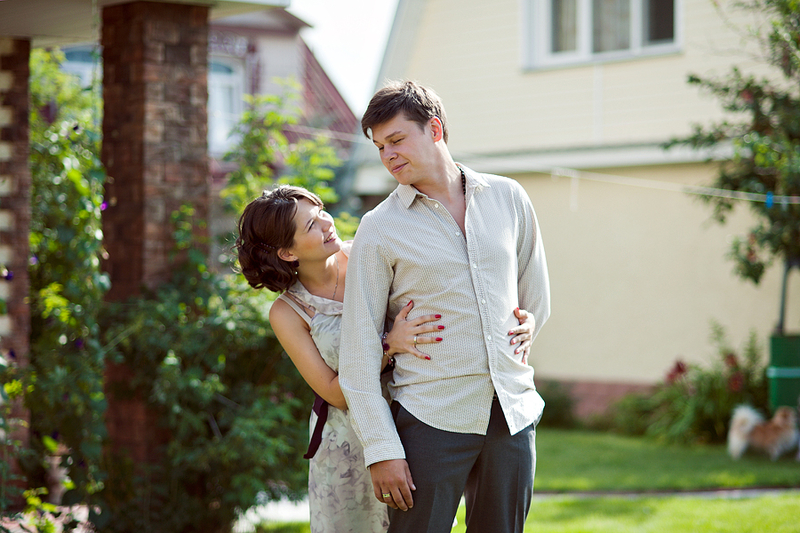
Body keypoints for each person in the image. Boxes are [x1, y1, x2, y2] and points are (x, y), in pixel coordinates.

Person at [235, 185, 536, 533]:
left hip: (419, 416)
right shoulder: (288, 312)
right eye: (311, 225)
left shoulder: (370, 254)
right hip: (349, 440)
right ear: (288, 252)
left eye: (321, 212)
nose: (327, 223)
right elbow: (333, 393)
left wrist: (519, 319)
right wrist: (389, 346)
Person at [339, 80, 550, 533]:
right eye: (380, 147)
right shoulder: (379, 227)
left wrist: (529, 322)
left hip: (511, 415)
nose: (388, 155)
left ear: (434, 129)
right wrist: (382, 449)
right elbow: (356, 352)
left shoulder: (508, 197)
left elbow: (534, 293)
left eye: (397, 139)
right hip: (429, 420)